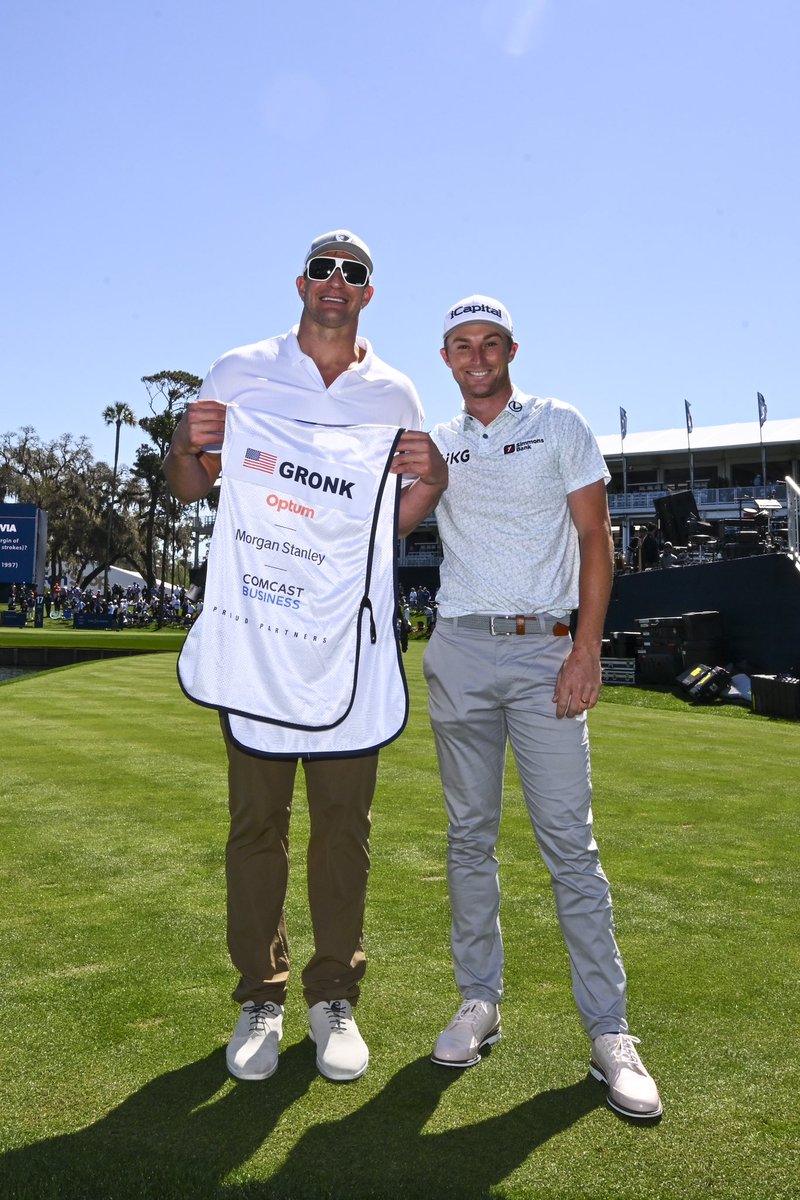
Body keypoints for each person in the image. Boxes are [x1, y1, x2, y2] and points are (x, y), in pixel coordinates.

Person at [163, 230, 447, 1085]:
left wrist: (430, 480)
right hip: (257, 635)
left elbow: (387, 523)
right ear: (301, 282)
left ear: (368, 294)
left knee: (343, 829)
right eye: (323, 268)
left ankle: (334, 997)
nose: (335, 282)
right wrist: (186, 440)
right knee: (256, 825)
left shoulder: (395, 392)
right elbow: (190, 485)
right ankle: (261, 992)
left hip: (351, 645)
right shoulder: (240, 371)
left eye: (352, 273)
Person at [423, 294, 662, 1121]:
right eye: (462, 345)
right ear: (447, 357)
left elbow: (596, 539)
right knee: (468, 836)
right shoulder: (439, 441)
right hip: (458, 645)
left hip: (545, 651)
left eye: (490, 343)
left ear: (512, 349)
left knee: (569, 844)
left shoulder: (559, 421)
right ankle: (478, 1003)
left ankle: (609, 1033)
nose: (478, 356)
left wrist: (585, 648)